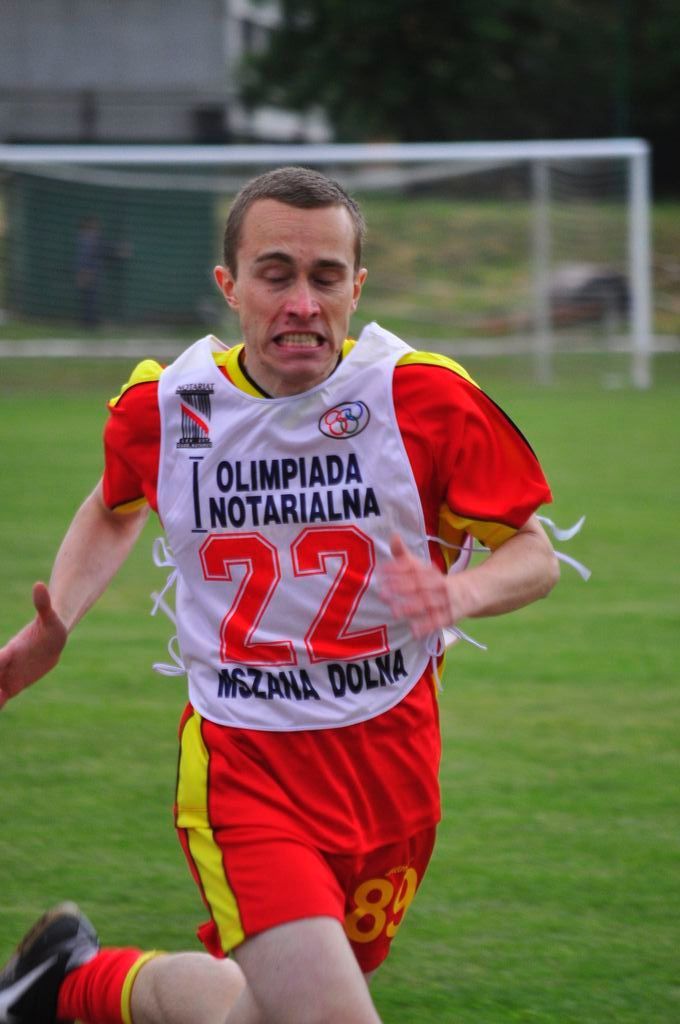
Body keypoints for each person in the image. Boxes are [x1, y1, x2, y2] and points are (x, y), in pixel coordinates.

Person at [0, 166, 560, 1024]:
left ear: (356, 288)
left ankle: (69, 980)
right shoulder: (173, 404)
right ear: (229, 286)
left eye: (326, 277)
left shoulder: (421, 397)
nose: (303, 303)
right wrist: (57, 624)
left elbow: (535, 554)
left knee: (266, 1005)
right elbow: (115, 503)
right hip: (245, 767)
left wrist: (462, 594)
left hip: (393, 765)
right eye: (276, 274)